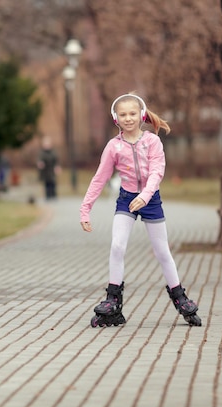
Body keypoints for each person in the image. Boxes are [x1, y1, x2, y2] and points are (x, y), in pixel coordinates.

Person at [79, 93, 202, 328]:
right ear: (116, 118)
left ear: (142, 115)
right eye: (123, 114)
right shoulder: (113, 146)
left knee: (162, 251)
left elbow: (157, 172)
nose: (128, 118)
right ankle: (113, 300)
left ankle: (180, 298)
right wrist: (85, 210)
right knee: (117, 245)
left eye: (132, 114)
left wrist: (145, 196)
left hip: (150, 199)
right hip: (126, 199)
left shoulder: (152, 142)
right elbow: (100, 178)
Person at [37, 136, 61, 200]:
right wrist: (40, 164)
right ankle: (48, 196)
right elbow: (39, 160)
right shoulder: (42, 153)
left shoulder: (53, 152)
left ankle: (53, 195)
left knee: (53, 183)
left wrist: (57, 167)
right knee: (47, 183)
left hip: (52, 170)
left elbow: (56, 160)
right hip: (45, 171)